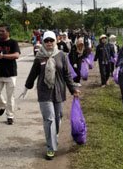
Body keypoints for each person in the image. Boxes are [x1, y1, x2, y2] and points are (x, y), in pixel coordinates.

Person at [21, 31, 79, 160]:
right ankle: (50, 148)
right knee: (49, 119)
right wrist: (27, 87)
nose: (48, 43)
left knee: (58, 117)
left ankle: (54, 135)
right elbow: (33, 74)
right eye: (46, 41)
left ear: (55, 41)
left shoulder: (62, 56)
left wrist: (73, 89)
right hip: (44, 92)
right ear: (43, 42)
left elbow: (67, 75)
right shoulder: (39, 57)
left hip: (58, 91)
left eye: (51, 40)